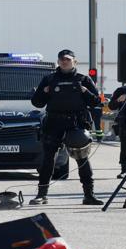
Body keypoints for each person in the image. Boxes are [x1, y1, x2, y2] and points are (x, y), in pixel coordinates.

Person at [30, 49, 100, 206]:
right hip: (54, 122)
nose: (64, 61)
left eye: (67, 59)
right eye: (61, 59)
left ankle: (89, 195)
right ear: (58, 61)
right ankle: (42, 195)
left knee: (82, 158)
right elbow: (37, 102)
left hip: (76, 123)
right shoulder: (49, 79)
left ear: (75, 61)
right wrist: (44, 92)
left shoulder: (84, 79)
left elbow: (96, 102)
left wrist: (85, 91)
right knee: (48, 159)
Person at [108, 82, 126, 178]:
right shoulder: (121, 90)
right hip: (125, 122)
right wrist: (118, 100)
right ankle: (124, 170)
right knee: (125, 147)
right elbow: (111, 106)